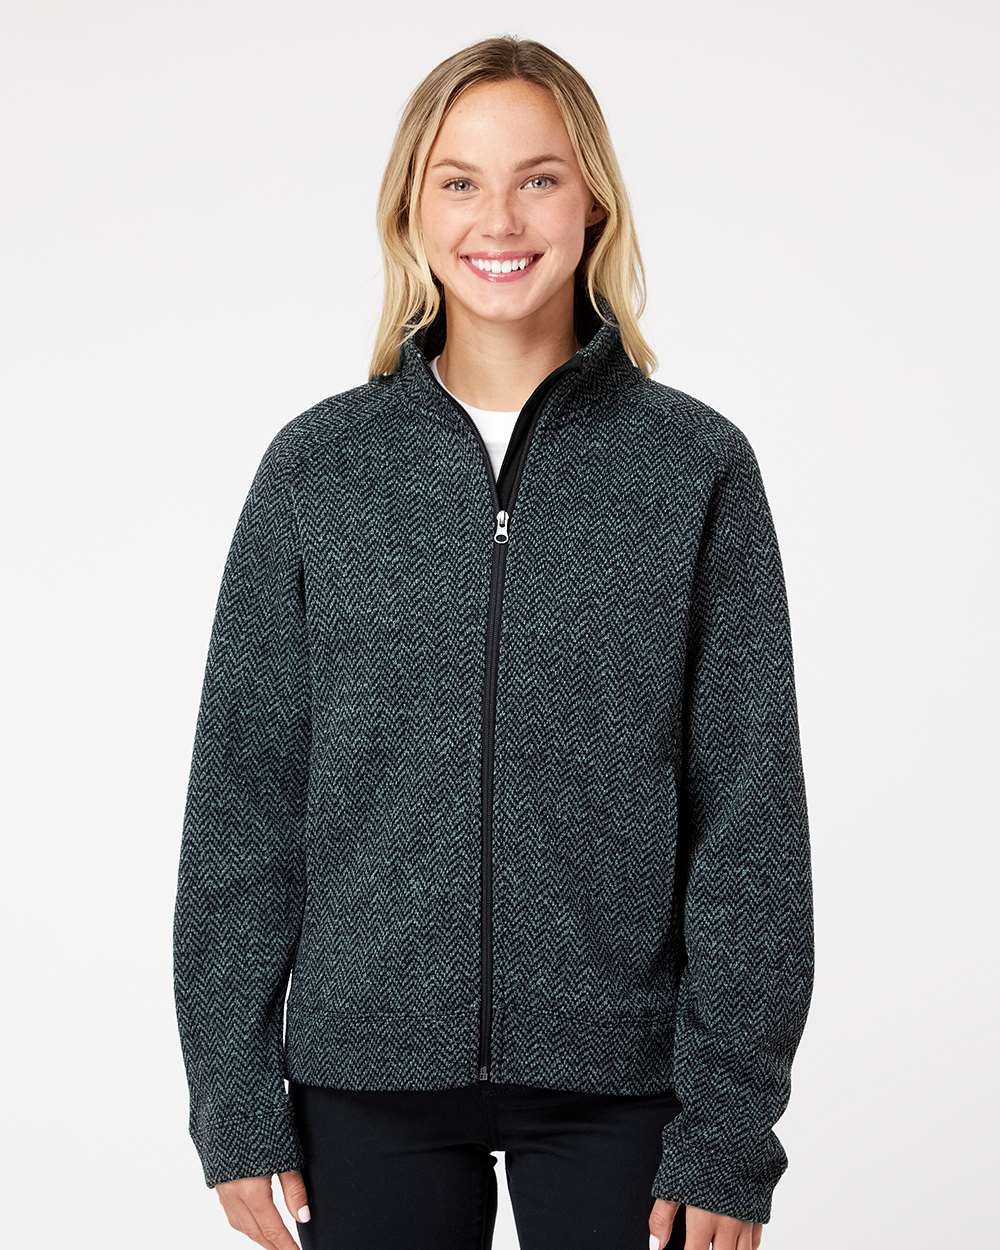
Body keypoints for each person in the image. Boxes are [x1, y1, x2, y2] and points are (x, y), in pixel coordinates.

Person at [172, 35, 815, 1250]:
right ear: (412, 209)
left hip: (623, 1077)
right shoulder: (320, 468)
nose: (499, 218)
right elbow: (243, 802)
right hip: (366, 1074)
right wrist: (234, 1098)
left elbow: (749, 815)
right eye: (459, 180)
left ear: (592, 203)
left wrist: (730, 1128)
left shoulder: (693, 467)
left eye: (538, 178)